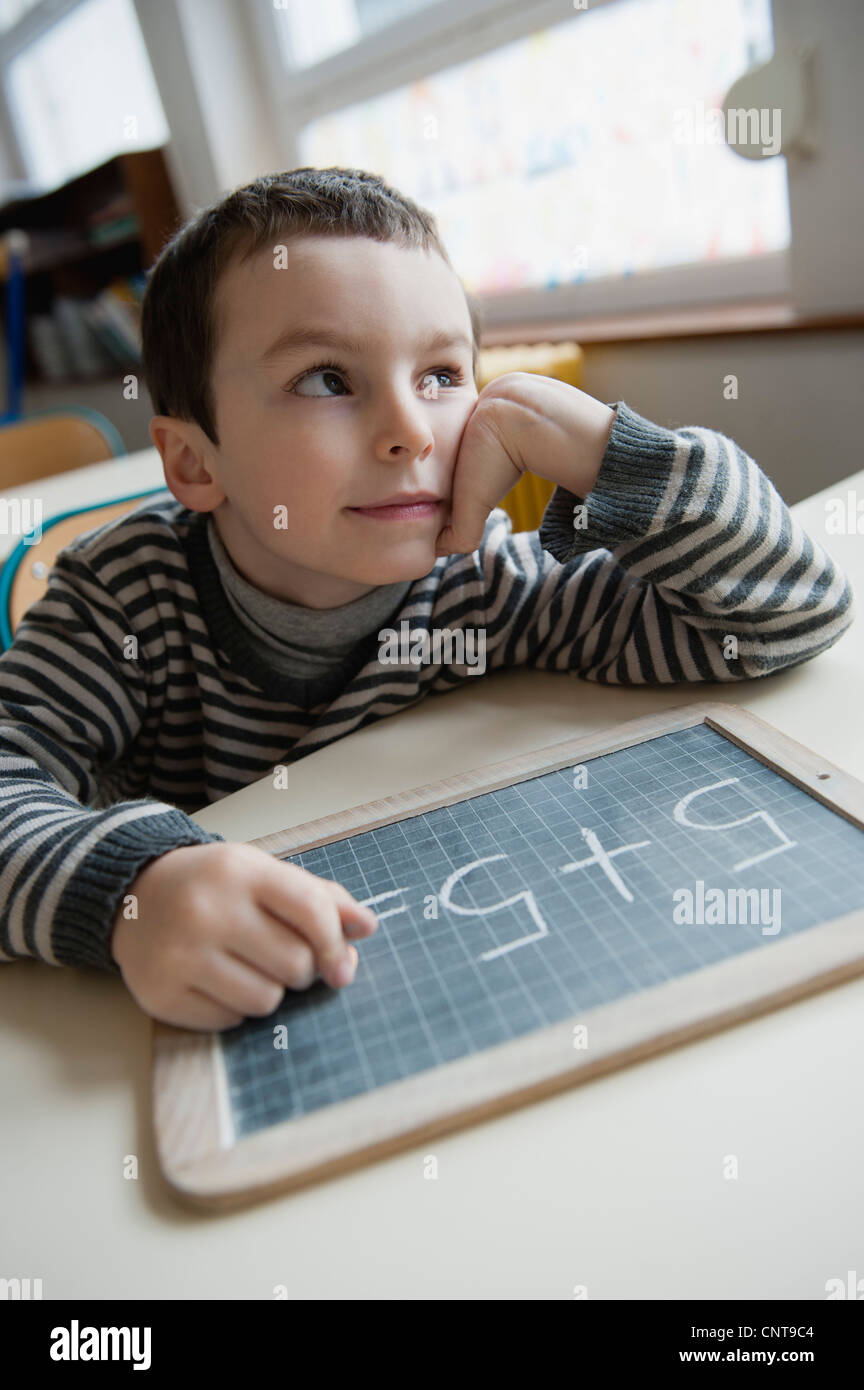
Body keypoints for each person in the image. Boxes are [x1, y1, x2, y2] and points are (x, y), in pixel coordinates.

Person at [0, 167, 853, 1032]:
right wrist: (133, 893)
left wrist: (614, 455)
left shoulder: (478, 584)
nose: (409, 428)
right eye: (326, 379)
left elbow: (787, 613)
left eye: (443, 374)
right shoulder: (122, 597)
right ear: (194, 461)